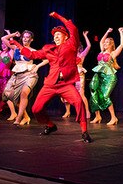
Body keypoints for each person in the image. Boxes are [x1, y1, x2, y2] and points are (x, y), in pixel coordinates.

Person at [12, 11, 92, 143]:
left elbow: (73, 29)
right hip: (50, 84)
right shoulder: (48, 49)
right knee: (36, 109)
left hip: (66, 84)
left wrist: (58, 16)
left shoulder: (71, 44)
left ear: (65, 37)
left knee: (78, 102)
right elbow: (32, 55)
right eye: (54, 35)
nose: (56, 37)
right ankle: (50, 125)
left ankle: (84, 131)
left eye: (59, 34)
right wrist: (18, 44)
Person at [2, 30, 47, 126]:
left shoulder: (33, 51)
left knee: (24, 94)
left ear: (31, 39)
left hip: (29, 74)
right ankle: (26, 117)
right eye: (24, 37)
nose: (25, 39)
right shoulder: (15, 48)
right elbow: (3, 38)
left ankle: (18, 118)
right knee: (9, 95)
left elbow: (46, 59)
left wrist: (37, 66)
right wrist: (14, 34)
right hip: (18, 74)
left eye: (27, 37)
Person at [89, 27, 123, 125]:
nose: (104, 44)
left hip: (109, 78)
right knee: (94, 94)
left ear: (111, 44)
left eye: (107, 42)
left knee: (105, 96)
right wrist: (107, 32)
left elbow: (122, 44)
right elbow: (101, 41)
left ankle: (114, 118)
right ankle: (97, 116)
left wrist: (121, 32)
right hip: (99, 76)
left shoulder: (113, 53)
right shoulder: (101, 51)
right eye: (104, 42)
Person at [62, 30, 92, 120]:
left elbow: (89, 46)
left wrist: (85, 36)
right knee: (66, 94)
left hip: (79, 75)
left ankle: (87, 111)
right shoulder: (68, 54)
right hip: (70, 75)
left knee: (81, 94)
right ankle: (68, 111)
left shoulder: (81, 55)